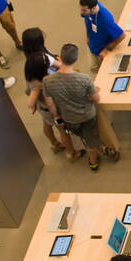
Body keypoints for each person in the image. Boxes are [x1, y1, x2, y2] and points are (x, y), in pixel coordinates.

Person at [41, 43, 118, 171]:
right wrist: (94, 91)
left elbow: (50, 103)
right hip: (86, 115)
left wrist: (56, 116)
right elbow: (96, 99)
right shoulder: (84, 79)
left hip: (68, 117)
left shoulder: (47, 81)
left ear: (60, 57)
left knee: (83, 136)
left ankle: (101, 148)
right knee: (90, 139)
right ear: (76, 59)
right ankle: (93, 161)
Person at [22, 28, 76, 159]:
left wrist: (34, 102)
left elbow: (30, 100)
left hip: (42, 108)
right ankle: (72, 153)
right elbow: (61, 66)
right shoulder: (43, 58)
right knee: (63, 129)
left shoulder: (29, 62)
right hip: (52, 106)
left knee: (47, 124)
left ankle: (55, 144)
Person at [78, 0, 124, 73]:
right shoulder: (88, 10)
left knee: (103, 71)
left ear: (93, 8)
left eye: (84, 10)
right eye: (81, 9)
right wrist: (88, 36)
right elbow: (86, 20)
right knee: (94, 68)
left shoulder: (105, 20)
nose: (81, 12)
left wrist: (106, 49)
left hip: (102, 49)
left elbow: (122, 35)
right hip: (92, 45)